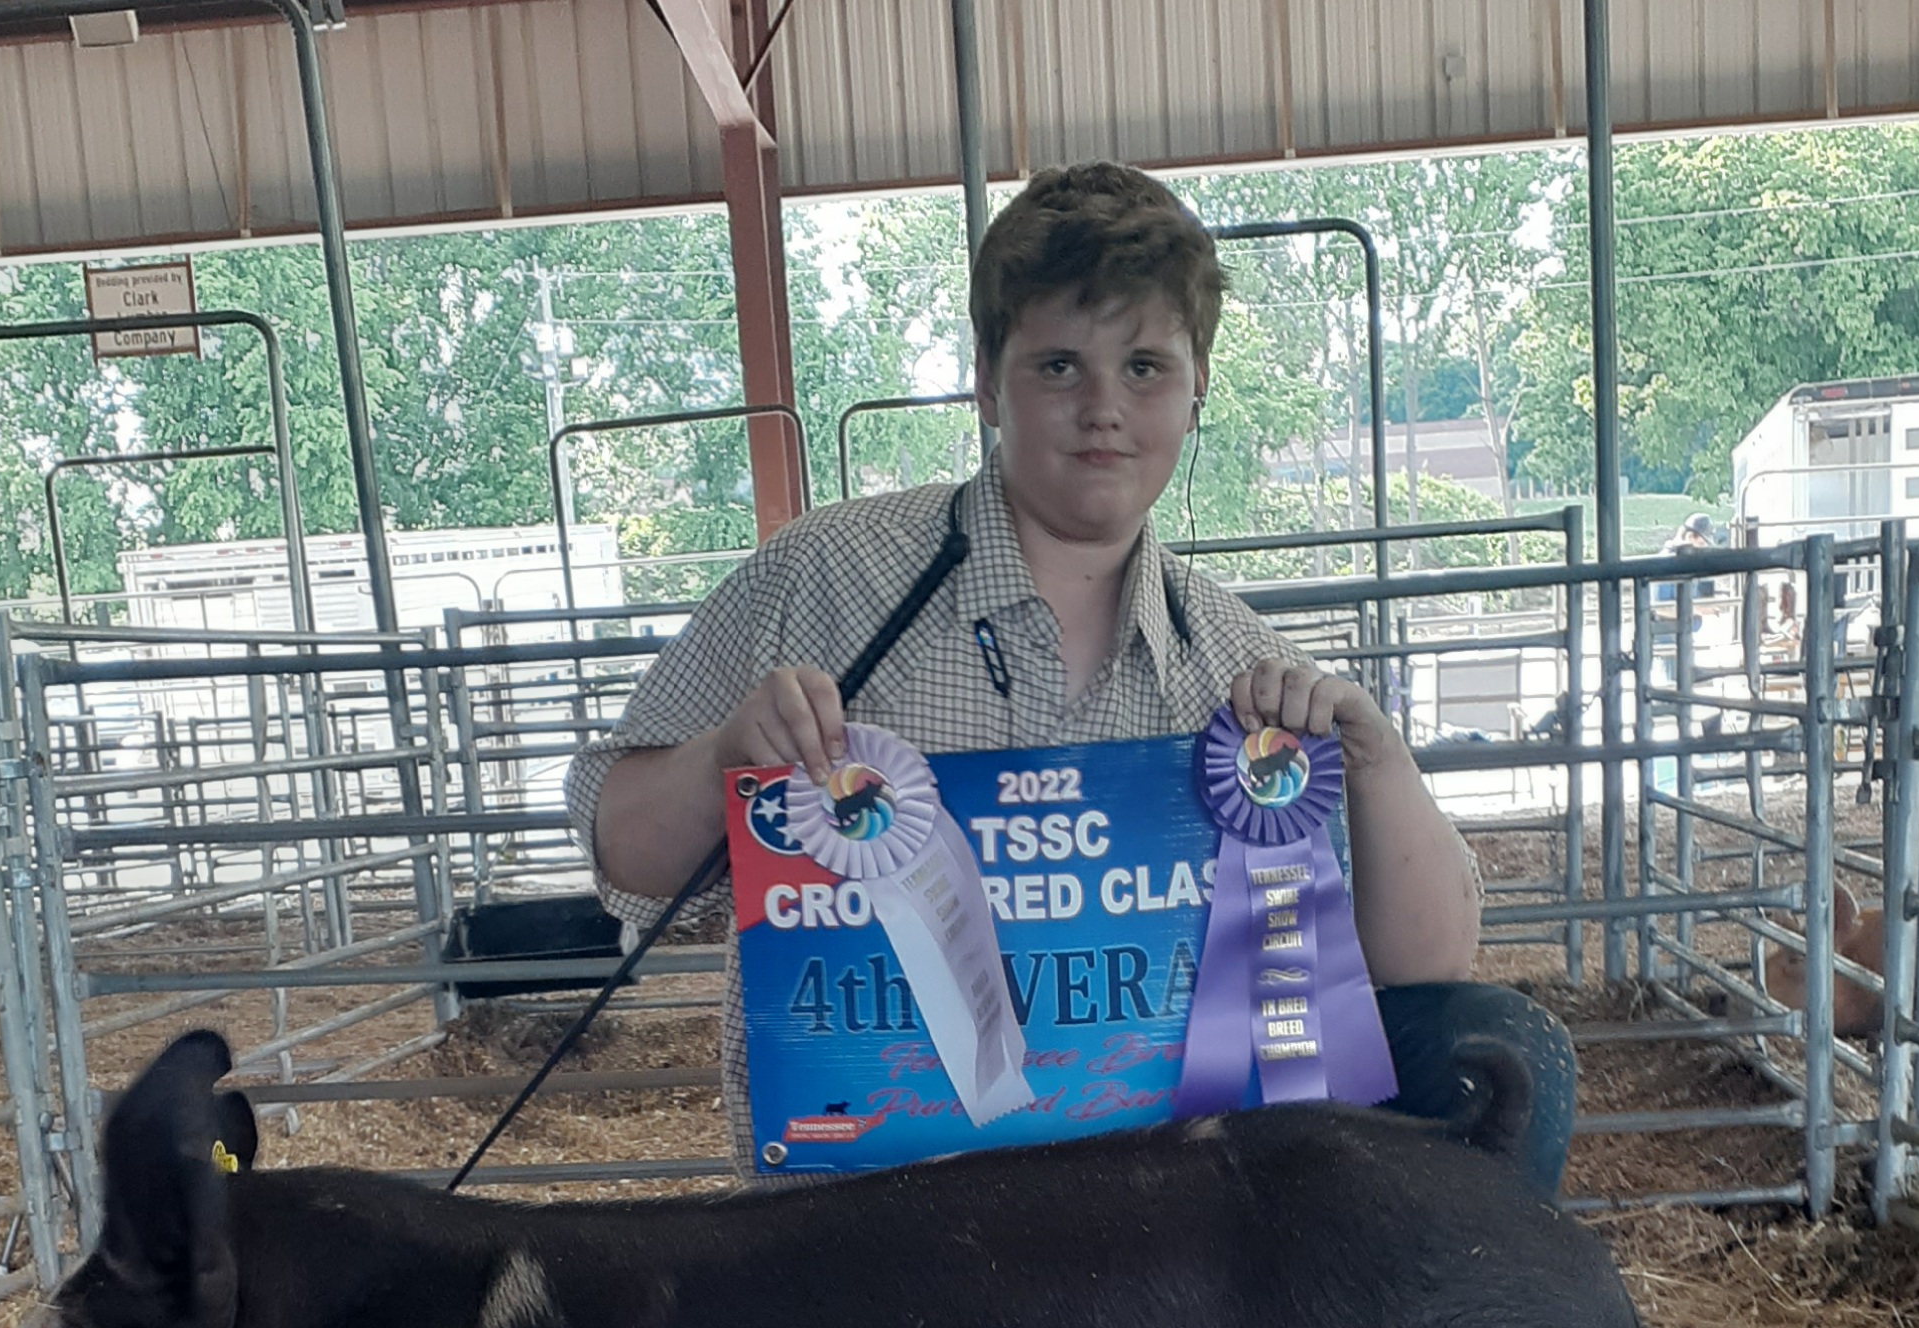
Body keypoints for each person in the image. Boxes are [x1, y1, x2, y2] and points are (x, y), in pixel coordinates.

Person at [566, 162, 1573, 1191]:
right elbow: (620, 845)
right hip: (869, 1225)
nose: (1103, 407)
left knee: (1494, 1039)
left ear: (1197, 393)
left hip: (1161, 1234)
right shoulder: (821, 575)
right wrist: (724, 760)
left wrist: (1378, 759)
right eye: (1058, 365)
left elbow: (1428, 967)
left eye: (1145, 367)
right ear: (986, 384)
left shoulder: (1239, 664)